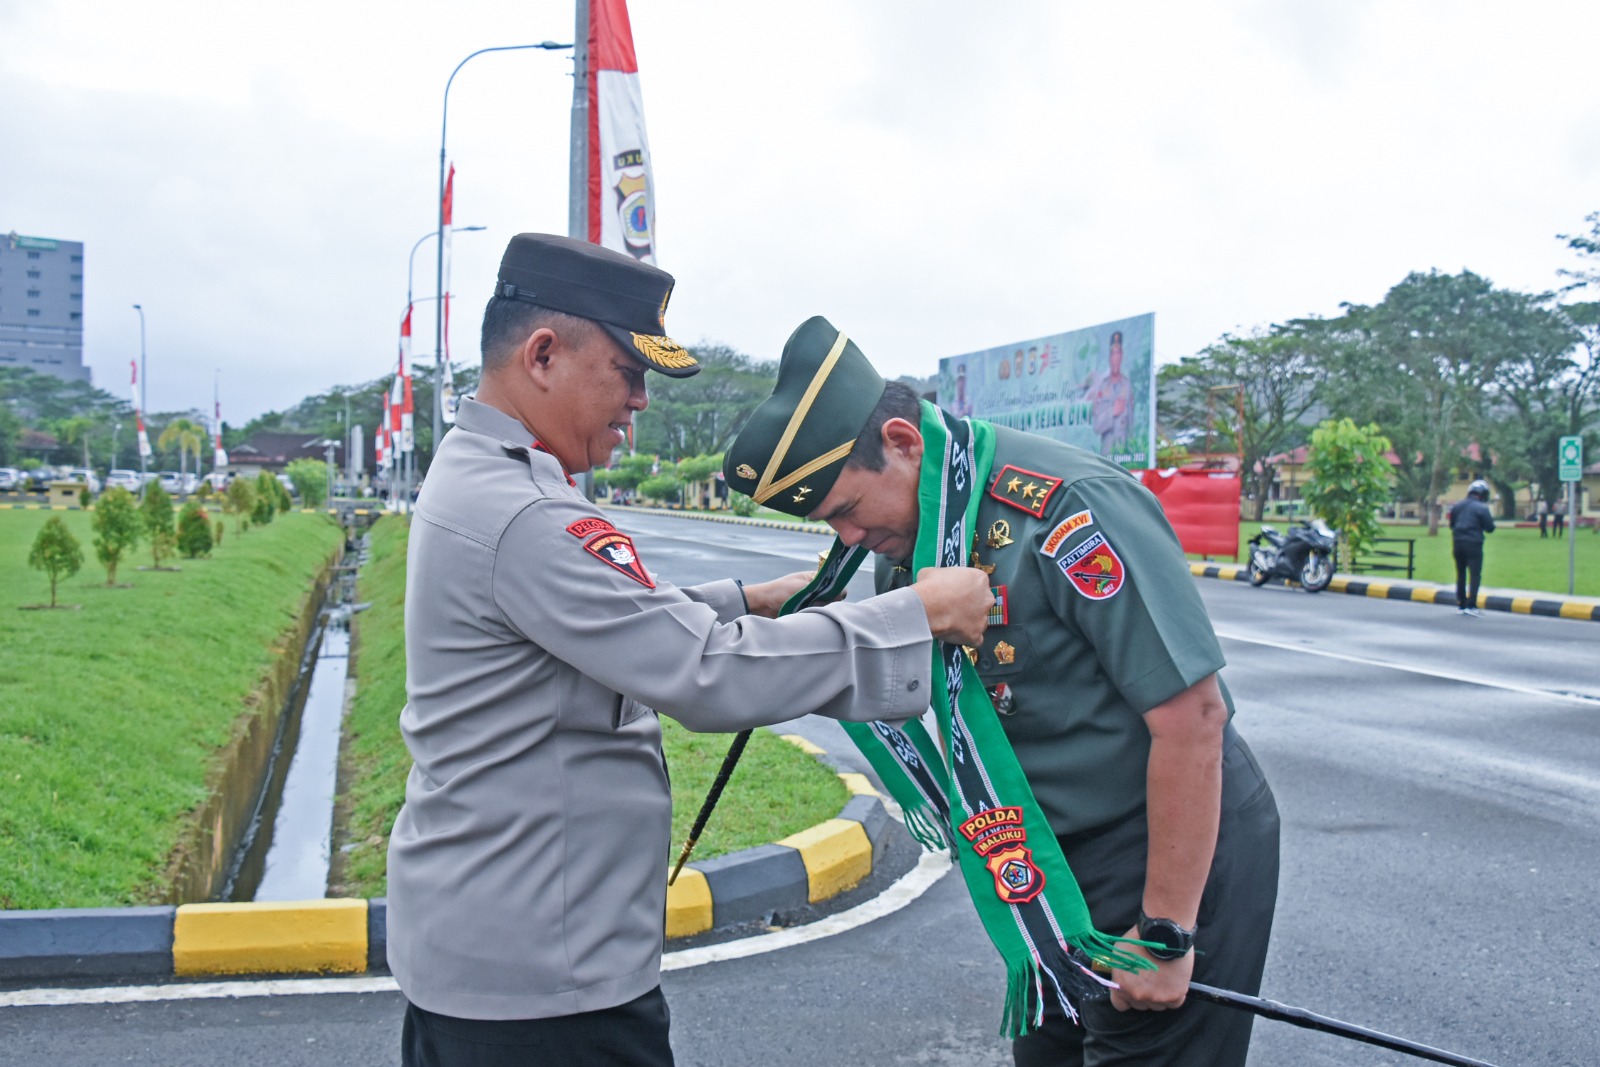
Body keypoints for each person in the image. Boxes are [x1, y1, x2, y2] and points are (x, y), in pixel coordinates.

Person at [387, 237, 994, 1067]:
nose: (638, 401)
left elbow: (599, 629)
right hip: (542, 993)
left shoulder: (485, 478)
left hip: (500, 946)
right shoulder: (526, 513)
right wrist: (916, 614)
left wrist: (746, 598)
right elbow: (709, 674)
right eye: (628, 372)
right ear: (542, 354)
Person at [724, 317, 1280, 1067]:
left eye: (847, 510)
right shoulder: (916, 541)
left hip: (1164, 844)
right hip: (1051, 867)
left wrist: (1169, 929)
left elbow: (1193, 717)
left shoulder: (1066, 508)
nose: (846, 539)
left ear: (903, 441)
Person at [1448, 479, 1496, 616]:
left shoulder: (1457, 506)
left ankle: (1461, 603)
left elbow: (1452, 525)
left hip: (1457, 542)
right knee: (1474, 575)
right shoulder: (1481, 508)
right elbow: (1490, 528)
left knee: (1460, 573)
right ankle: (1471, 604)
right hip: (1474, 544)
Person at [1088, 330, 1132, 455]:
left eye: (1118, 353)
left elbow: (1131, 423)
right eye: (1113, 354)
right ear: (1109, 357)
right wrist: (1112, 412)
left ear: (1122, 356)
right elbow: (1097, 427)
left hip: (1126, 456)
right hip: (1107, 457)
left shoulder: (1127, 385)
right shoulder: (1101, 387)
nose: (1115, 358)